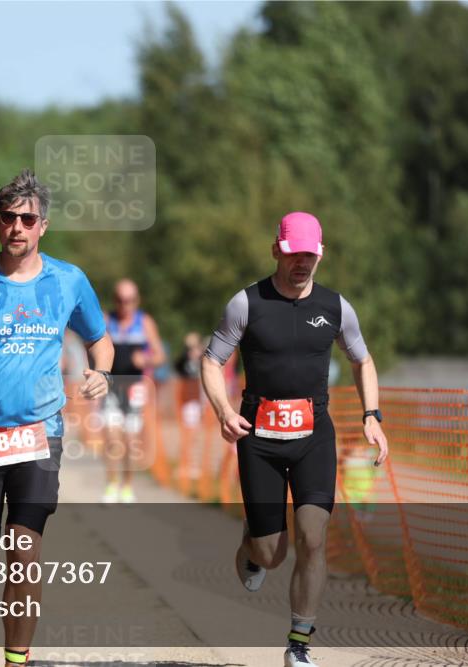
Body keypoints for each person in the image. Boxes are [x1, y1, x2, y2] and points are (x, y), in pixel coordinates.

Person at [0, 169, 114, 667]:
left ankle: (17, 659)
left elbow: (101, 339)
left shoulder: (68, 280)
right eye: (9, 218)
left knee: (24, 547)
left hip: (39, 435)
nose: (18, 226)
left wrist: (102, 371)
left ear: (43, 226)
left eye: (28, 218)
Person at [200, 211, 389, 667]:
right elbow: (210, 361)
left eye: (310, 255)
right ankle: (253, 543)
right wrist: (224, 412)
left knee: (314, 538)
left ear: (319, 255)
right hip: (258, 438)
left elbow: (363, 360)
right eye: (293, 254)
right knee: (271, 554)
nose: (301, 263)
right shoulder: (246, 304)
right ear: (276, 251)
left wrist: (371, 415)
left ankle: (299, 643)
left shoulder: (335, 307)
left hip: (313, 437)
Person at [100, 279, 165, 503]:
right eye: (119, 300)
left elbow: (160, 355)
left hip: (134, 388)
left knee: (128, 440)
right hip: (111, 386)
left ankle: (127, 486)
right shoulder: (107, 320)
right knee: (111, 438)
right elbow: (93, 348)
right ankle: (111, 484)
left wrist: (145, 359)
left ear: (136, 301)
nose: (124, 304)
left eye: (129, 300)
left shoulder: (144, 322)